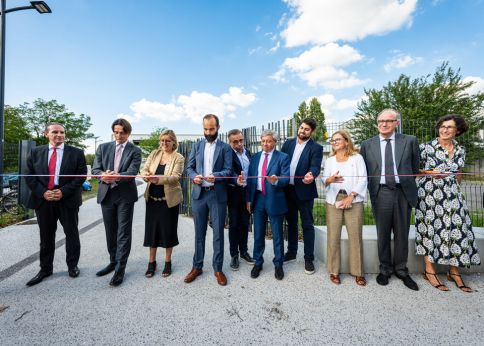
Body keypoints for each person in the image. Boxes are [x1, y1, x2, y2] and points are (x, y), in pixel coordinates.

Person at [415, 115, 480, 292]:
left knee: (456, 230)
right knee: (429, 229)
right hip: (429, 194)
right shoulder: (426, 147)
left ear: (457, 130)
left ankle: (454, 271)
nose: (444, 130)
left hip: (453, 195)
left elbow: (458, 173)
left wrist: (455, 192)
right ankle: (430, 271)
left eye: (449, 127)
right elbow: (414, 170)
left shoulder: (460, 149)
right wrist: (430, 172)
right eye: (442, 126)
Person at [360, 108, 420, 291]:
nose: (384, 124)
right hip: (381, 192)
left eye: (388, 121)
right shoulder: (367, 144)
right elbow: (364, 171)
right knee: (383, 233)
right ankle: (385, 269)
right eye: (380, 121)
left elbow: (416, 167)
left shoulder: (410, 141)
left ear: (397, 123)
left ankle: (401, 270)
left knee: (402, 233)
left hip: (403, 192)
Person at [25, 123, 87, 286]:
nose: (59, 134)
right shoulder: (35, 152)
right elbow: (29, 175)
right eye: (55, 132)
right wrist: (43, 192)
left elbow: (81, 176)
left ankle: (72, 266)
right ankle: (45, 269)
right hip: (44, 199)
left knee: (71, 234)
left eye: (62, 132)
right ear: (46, 134)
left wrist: (64, 191)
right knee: (46, 236)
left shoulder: (77, 153)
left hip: (67, 199)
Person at [92, 118, 142, 287]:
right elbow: (95, 169)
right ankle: (113, 262)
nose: (119, 135)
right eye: (116, 132)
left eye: (122, 132)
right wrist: (103, 175)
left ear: (128, 133)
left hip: (124, 195)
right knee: (110, 232)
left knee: (123, 233)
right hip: (107, 194)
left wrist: (116, 176)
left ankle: (120, 269)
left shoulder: (135, 150)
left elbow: (132, 172)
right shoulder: (103, 147)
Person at [184, 114, 232, 286]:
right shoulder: (196, 146)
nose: (208, 132)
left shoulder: (225, 148)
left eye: (211, 129)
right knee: (199, 233)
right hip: (199, 195)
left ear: (218, 127)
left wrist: (217, 176)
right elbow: (189, 167)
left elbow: (228, 170)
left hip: (217, 195)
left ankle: (218, 269)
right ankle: (197, 267)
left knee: (218, 233)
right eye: (205, 129)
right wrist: (193, 176)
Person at [242, 130, 290, 280]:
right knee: (258, 233)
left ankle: (278, 264)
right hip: (258, 199)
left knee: (277, 234)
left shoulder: (283, 157)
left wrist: (276, 180)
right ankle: (258, 262)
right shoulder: (255, 157)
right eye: (263, 141)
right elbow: (250, 180)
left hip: (275, 199)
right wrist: (249, 199)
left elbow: (286, 178)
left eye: (269, 141)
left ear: (275, 142)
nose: (265, 144)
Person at [322, 130, 367, 286]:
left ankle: (358, 272)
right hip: (333, 200)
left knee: (355, 236)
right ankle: (334, 270)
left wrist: (351, 196)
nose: (334, 142)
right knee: (333, 236)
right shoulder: (330, 161)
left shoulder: (357, 158)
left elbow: (363, 179)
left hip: (353, 201)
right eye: (332, 140)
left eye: (337, 139)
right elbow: (324, 180)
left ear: (347, 141)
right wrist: (329, 179)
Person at [140, 130, 185, 278]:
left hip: (168, 202)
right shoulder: (154, 154)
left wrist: (157, 179)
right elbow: (145, 168)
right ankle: (151, 263)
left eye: (167, 140)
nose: (164, 143)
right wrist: (145, 175)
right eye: (162, 140)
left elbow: (175, 177)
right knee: (152, 232)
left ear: (174, 142)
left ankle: (167, 262)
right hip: (152, 199)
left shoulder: (179, 157)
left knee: (168, 231)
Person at [281, 118, 323, 274]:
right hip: (287, 190)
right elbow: (280, 161)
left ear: (311, 132)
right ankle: (291, 252)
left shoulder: (316, 148)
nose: (303, 131)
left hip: (304, 191)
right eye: (301, 128)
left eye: (307, 129)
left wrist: (312, 174)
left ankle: (308, 258)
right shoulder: (288, 144)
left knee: (307, 225)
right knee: (291, 223)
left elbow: (315, 165)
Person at [227, 129, 255, 270]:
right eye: (235, 141)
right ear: (230, 142)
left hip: (247, 194)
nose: (239, 144)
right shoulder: (227, 154)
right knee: (234, 225)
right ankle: (234, 255)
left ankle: (244, 251)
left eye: (241, 140)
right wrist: (236, 179)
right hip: (233, 193)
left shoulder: (248, 152)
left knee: (245, 223)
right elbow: (228, 171)